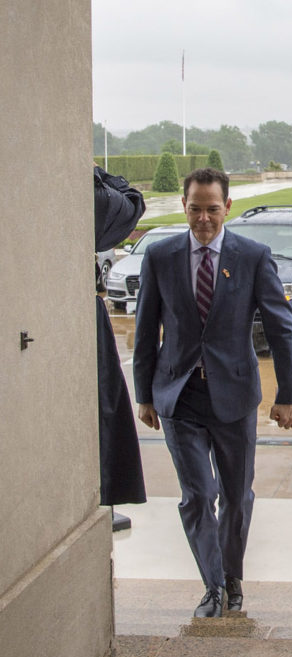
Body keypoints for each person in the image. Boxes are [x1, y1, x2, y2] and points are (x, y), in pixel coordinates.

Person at [133, 168, 292, 618]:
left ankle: (232, 577)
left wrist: (288, 393)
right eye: (195, 209)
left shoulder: (253, 257)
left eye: (212, 209)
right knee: (197, 496)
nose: (203, 219)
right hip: (179, 395)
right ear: (183, 207)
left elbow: (281, 329)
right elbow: (145, 329)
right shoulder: (160, 256)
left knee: (236, 496)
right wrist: (144, 394)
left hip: (234, 397)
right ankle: (213, 586)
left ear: (227, 207)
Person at [94, 165, 147, 523]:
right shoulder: (91, 197)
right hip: (77, 315)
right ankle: (102, 498)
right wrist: (96, 172)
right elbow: (132, 204)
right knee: (103, 407)